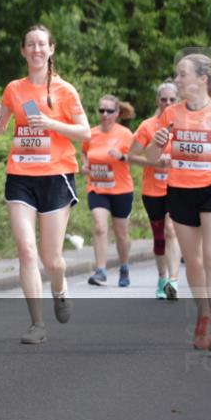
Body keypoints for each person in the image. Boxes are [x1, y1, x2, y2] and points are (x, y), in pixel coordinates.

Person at [0, 24, 91, 345]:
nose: (36, 50)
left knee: (51, 259)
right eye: (30, 45)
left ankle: (59, 290)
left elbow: (85, 132)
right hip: (20, 177)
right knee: (26, 251)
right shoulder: (13, 89)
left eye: (41, 44)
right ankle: (37, 324)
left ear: (51, 50)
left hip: (56, 176)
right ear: (23, 51)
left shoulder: (65, 91)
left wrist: (51, 123)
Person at [147, 54, 211, 355]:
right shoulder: (171, 114)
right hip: (180, 191)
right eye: (177, 75)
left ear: (202, 79)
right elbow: (150, 158)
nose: (177, 80)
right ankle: (203, 314)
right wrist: (158, 143)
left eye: (182, 75)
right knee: (195, 261)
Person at [127, 81, 182, 299]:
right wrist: (154, 163)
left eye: (172, 99)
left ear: (178, 101)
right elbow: (131, 156)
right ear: (157, 101)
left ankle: (174, 281)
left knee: (171, 229)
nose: (168, 103)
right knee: (159, 237)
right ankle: (161, 277)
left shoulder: (184, 124)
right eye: (164, 99)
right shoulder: (148, 126)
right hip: (153, 190)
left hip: (177, 186)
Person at [81, 95, 136, 288]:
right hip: (97, 188)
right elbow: (84, 151)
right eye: (101, 110)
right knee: (99, 226)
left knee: (121, 234)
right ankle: (101, 271)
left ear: (117, 113)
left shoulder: (126, 134)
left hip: (121, 189)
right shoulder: (91, 134)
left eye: (109, 111)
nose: (105, 115)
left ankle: (124, 267)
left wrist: (121, 157)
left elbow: (136, 157)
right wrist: (85, 165)